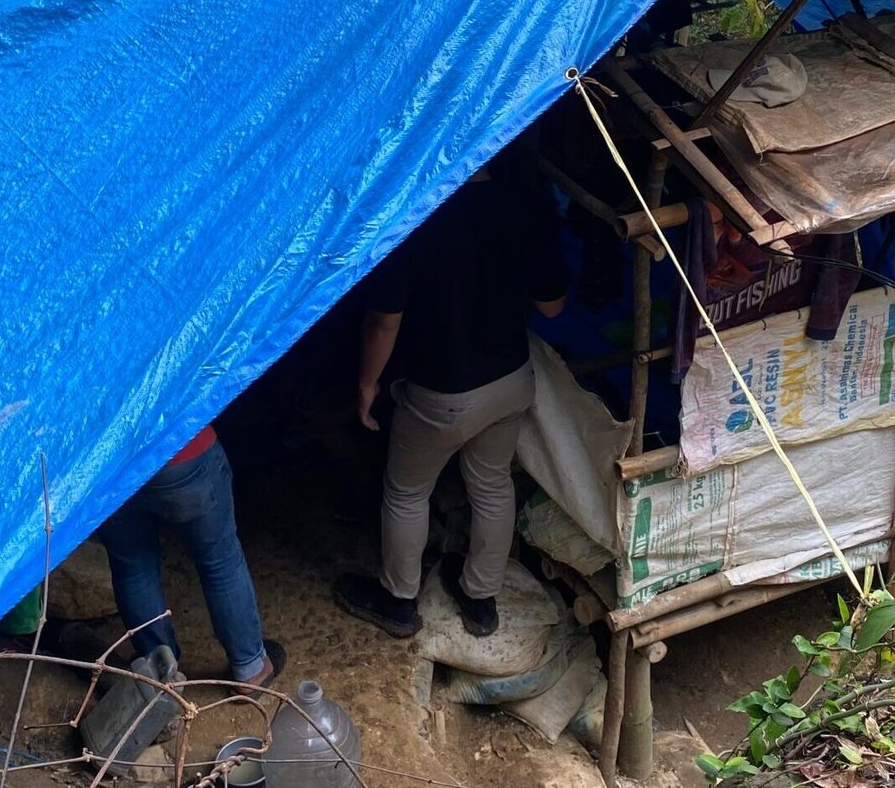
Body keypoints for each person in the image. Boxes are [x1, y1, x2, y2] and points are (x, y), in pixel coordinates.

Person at [333, 152, 567, 638]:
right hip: (511, 379)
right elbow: (552, 306)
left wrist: (367, 383)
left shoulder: (414, 215)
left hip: (441, 394)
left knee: (406, 491)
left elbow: (383, 322)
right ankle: (480, 600)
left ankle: (399, 601)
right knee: (492, 485)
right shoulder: (527, 204)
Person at [96, 425, 284, 687]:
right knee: (220, 560)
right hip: (182, 452)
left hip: (109, 465)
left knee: (133, 568)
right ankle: (250, 668)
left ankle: (161, 677)